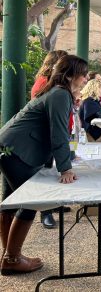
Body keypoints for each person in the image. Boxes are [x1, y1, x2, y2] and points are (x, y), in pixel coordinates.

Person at [0, 55, 86, 275]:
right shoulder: (59, 94)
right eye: (83, 74)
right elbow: (58, 132)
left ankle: (9, 254)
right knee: (30, 202)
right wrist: (65, 168)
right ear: (70, 75)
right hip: (17, 150)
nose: (86, 79)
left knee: (11, 203)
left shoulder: (57, 91)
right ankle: (12, 259)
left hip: (10, 147)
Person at [30, 50, 69, 229]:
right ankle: (45, 212)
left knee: (49, 170)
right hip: (46, 135)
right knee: (45, 173)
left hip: (53, 133)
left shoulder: (56, 84)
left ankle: (53, 205)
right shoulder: (45, 84)